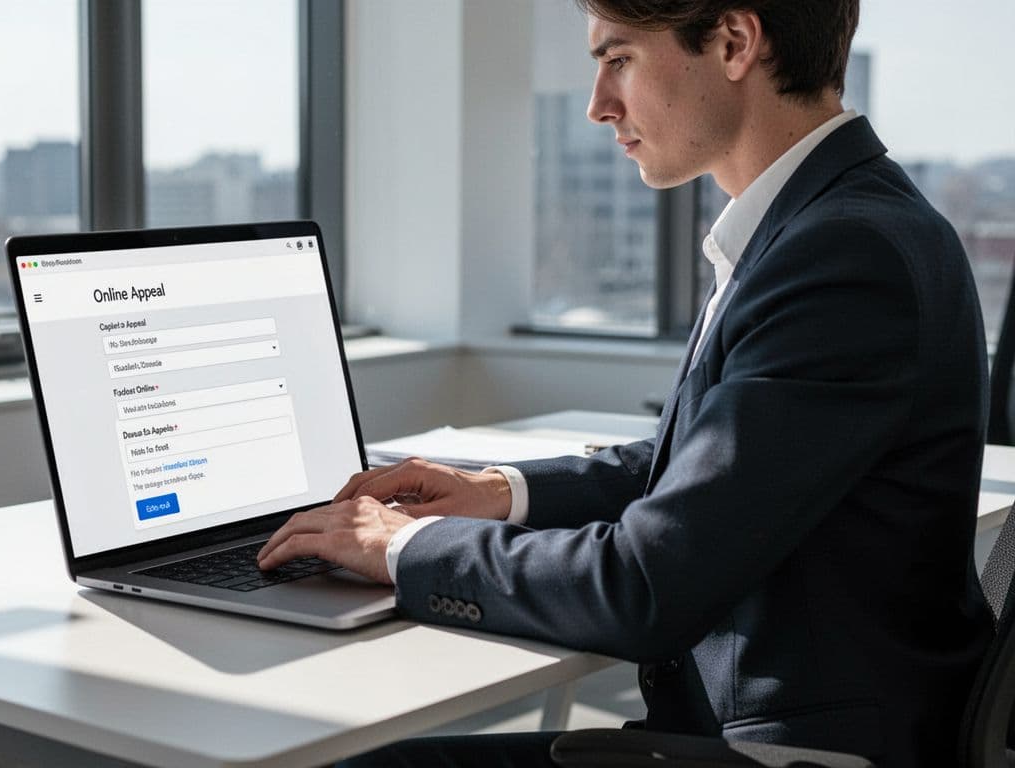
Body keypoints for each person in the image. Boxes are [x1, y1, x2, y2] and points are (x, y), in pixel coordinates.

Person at [257, 0, 993, 765]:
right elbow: (705, 471)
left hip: (800, 749)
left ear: (735, 42)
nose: (598, 105)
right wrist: (500, 493)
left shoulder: (842, 254)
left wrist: (409, 546)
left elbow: (646, 585)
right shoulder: (823, 224)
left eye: (618, 60)